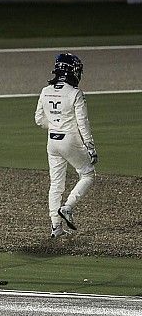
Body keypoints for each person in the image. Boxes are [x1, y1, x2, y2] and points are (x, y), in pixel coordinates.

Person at [34, 53, 98, 238]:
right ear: (72, 71)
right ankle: (68, 207)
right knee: (87, 174)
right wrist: (90, 147)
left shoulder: (45, 91)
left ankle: (56, 227)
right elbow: (82, 123)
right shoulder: (75, 93)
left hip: (52, 142)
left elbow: (39, 119)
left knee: (56, 184)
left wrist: (55, 124)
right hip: (70, 141)